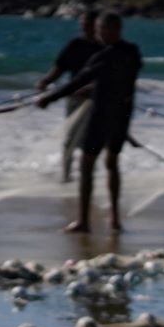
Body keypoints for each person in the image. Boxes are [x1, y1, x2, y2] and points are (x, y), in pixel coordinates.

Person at [36, 12, 142, 233]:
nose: (97, 34)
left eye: (99, 30)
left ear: (111, 30)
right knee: (112, 164)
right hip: (122, 115)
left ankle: (83, 222)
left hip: (101, 115)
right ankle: (114, 219)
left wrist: (48, 98)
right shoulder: (132, 52)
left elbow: (76, 81)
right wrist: (93, 87)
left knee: (87, 166)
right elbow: (123, 81)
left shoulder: (103, 56)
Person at [36, 10, 102, 182]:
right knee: (71, 138)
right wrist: (46, 81)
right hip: (74, 98)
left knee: (89, 140)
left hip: (97, 101)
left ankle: (87, 176)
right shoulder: (75, 44)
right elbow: (60, 67)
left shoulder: (104, 47)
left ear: (97, 25)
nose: (84, 27)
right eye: (82, 24)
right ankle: (66, 176)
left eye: (88, 24)